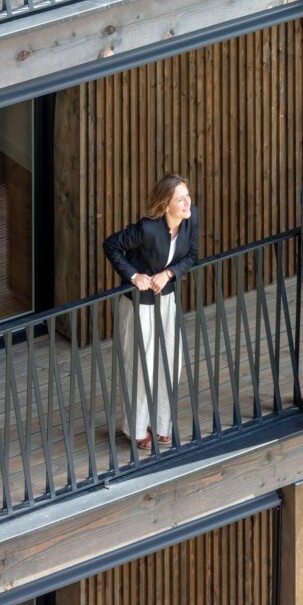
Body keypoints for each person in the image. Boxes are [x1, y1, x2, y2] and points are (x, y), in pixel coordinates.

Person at [103, 174, 199, 451]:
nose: (187, 202)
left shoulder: (192, 220)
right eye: (180, 199)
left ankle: (161, 424)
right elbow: (111, 245)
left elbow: (192, 255)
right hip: (138, 305)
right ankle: (135, 427)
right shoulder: (147, 229)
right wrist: (134, 276)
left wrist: (169, 273)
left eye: (187, 195)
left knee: (170, 361)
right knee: (139, 364)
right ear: (166, 204)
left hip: (166, 301)